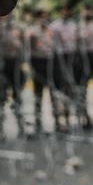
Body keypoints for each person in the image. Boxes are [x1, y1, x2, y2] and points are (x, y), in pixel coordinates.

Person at [0, 13, 26, 139]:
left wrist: (21, 61)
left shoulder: (17, 30)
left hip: (15, 65)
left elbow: (23, 48)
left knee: (17, 97)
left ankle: (21, 126)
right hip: (1, 66)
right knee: (1, 98)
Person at [24, 9, 56, 137]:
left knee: (53, 93)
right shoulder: (32, 31)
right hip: (37, 62)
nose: (44, 19)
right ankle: (37, 124)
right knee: (38, 94)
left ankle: (56, 123)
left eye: (46, 16)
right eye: (42, 17)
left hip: (50, 62)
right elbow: (28, 51)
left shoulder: (50, 30)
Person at [47, 6, 78, 132]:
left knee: (71, 91)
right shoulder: (54, 27)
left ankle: (68, 119)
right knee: (59, 91)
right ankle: (58, 122)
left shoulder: (73, 25)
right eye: (62, 11)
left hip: (72, 58)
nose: (65, 13)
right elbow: (54, 46)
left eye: (67, 11)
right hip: (59, 60)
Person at [75, 6, 93, 129]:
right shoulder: (77, 27)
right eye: (85, 10)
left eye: (89, 10)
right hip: (82, 58)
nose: (88, 12)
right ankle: (84, 117)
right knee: (83, 88)